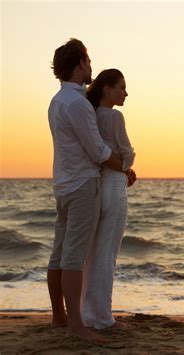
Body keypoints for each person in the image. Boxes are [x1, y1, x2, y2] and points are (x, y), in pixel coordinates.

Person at [47, 39, 125, 340]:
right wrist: (124, 166)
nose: (91, 66)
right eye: (88, 61)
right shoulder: (77, 104)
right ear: (80, 63)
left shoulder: (57, 101)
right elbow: (97, 150)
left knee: (59, 254)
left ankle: (58, 317)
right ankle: (77, 326)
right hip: (81, 185)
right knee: (73, 257)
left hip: (63, 185)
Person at [81, 69, 136, 329]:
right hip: (114, 186)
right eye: (122, 87)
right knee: (107, 254)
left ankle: (88, 313)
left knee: (93, 253)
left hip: (98, 184)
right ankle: (102, 317)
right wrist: (127, 165)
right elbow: (126, 154)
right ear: (107, 89)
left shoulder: (91, 115)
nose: (126, 93)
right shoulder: (114, 116)